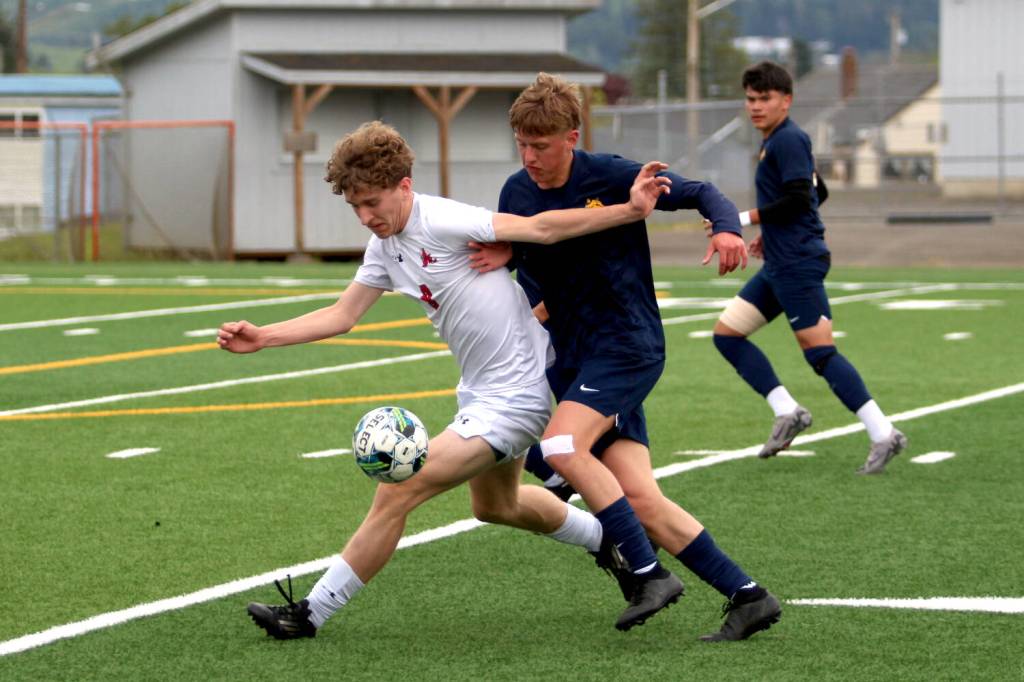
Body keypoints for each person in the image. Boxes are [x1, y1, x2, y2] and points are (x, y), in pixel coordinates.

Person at [219, 121, 683, 640]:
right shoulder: (384, 248)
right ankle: (607, 540)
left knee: (398, 490)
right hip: (482, 392)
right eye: (355, 207)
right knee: (495, 506)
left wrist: (629, 210)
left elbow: (542, 230)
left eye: (373, 202)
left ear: (404, 184)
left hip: (518, 395)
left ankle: (309, 614)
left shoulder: (443, 220)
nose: (366, 217)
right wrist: (263, 337)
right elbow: (342, 315)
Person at [469, 72, 781, 643]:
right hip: (575, 358)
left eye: (541, 145)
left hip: (626, 345)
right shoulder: (516, 191)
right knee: (636, 497)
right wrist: (512, 266)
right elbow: (531, 260)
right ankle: (748, 596)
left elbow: (701, 192)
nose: (530, 156)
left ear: (572, 136)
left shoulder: (611, 175)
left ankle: (647, 573)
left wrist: (728, 229)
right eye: (522, 144)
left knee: (562, 445)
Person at [712, 61, 907, 474]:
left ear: (787, 100)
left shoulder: (789, 139)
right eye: (750, 99)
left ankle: (883, 433)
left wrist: (744, 220)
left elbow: (802, 198)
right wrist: (776, 232)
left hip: (798, 262)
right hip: (783, 259)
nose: (756, 106)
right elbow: (819, 190)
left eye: (765, 99)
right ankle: (788, 411)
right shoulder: (777, 141)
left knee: (820, 353)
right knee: (727, 335)